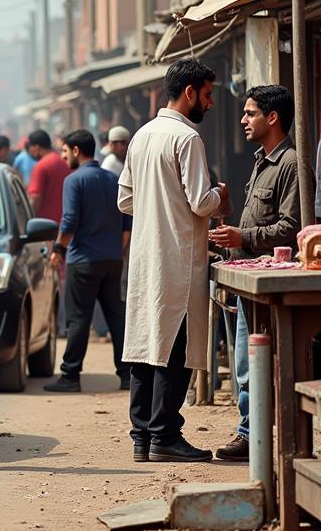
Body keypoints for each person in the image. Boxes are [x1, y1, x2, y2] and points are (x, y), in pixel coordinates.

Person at [118, 59, 230, 463]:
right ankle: (164, 435)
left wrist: (156, 206)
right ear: (189, 93)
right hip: (178, 259)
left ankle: (142, 437)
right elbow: (202, 202)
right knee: (174, 348)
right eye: (208, 94)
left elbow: (125, 200)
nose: (211, 102)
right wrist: (222, 196)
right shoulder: (187, 138)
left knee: (148, 343)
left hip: (147, 258)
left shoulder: (142, 135)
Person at [208, 85, 301, 461]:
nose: (244, 120)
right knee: (247, 363)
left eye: (250, 114)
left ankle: (259, 437)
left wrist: (241, 235)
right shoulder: (263, 161)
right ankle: (251, 434)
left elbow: (291, 228)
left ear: (272, 117)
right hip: (250, 281)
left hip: (273, 285)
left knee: (261, 363)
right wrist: (229, 228)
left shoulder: (291, 164)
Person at [43, 130, 130, 393]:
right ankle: (126, 375)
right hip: (112, 259)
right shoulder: (113, 178)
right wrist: (117, 251)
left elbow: (69, 221)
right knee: (116, 317)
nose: (63, 156)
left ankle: (70, 376)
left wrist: (59, 248)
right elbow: (127, 222)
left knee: (78, 318)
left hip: (83, 261)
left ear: (77, 150)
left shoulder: (74, 180)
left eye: (65, 151)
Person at [27, 129, 70, 223]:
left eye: (30, 147)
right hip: (65, 224)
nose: (30, 152)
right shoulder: (64, 163)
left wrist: (28, 221)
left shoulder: (41, 166)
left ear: (36, 147)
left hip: (45, 227)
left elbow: (35, 198)